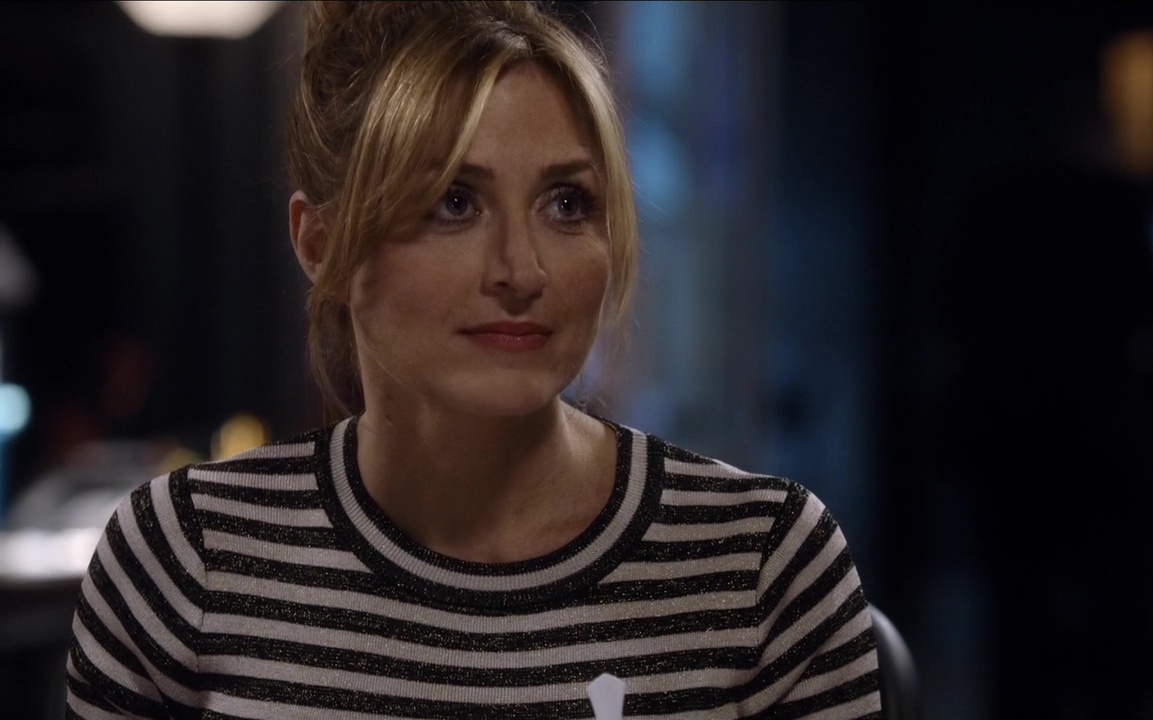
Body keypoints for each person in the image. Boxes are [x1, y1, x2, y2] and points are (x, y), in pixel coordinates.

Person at [65, 2, 880, 717]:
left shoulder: (762, 563)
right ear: (321, 245)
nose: (521, 271)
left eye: (567, 204)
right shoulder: (186, 557)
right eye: (454, 203)